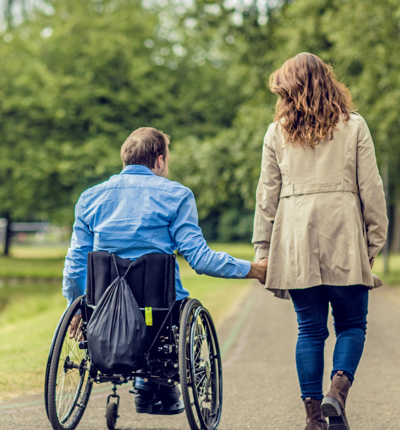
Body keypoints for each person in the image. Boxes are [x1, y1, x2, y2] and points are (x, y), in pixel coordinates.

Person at [63, 126, 267, 415]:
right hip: (160, 309)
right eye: (167, 160)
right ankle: (153, 386)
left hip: (103, 307)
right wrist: (254, 270)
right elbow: (200, 258)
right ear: (159, 161)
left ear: (125, 160)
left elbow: (75, 263)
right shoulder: (176, 195)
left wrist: (78, 307)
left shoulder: (89, 198)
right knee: (170, 310)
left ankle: (146, 386)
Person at [252, 53, 388, 430]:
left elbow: (267, 196)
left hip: (295, 236)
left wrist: (262, 251)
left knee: (310, 330)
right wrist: (373, 242)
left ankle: (314, 418)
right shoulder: (354, 126)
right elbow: (371, 189)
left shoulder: (275, 132)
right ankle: (337, 393)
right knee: (352, 325)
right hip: (343, 231)